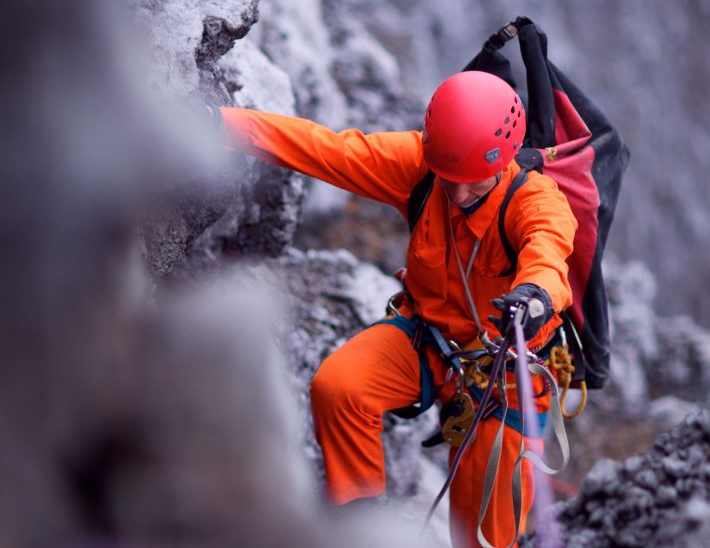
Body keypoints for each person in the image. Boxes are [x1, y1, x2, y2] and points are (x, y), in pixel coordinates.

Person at [216, 70, 577, 548]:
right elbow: (326, 149)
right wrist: (220, 124)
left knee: (484, 539)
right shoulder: (422, 168)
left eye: (472, 182)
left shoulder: (534, 202)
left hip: (503, 380)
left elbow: (548, 251)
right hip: (428, 341)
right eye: (449, 179)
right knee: (340, 388)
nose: (458, 194)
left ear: (505, 159)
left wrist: (535, 295)